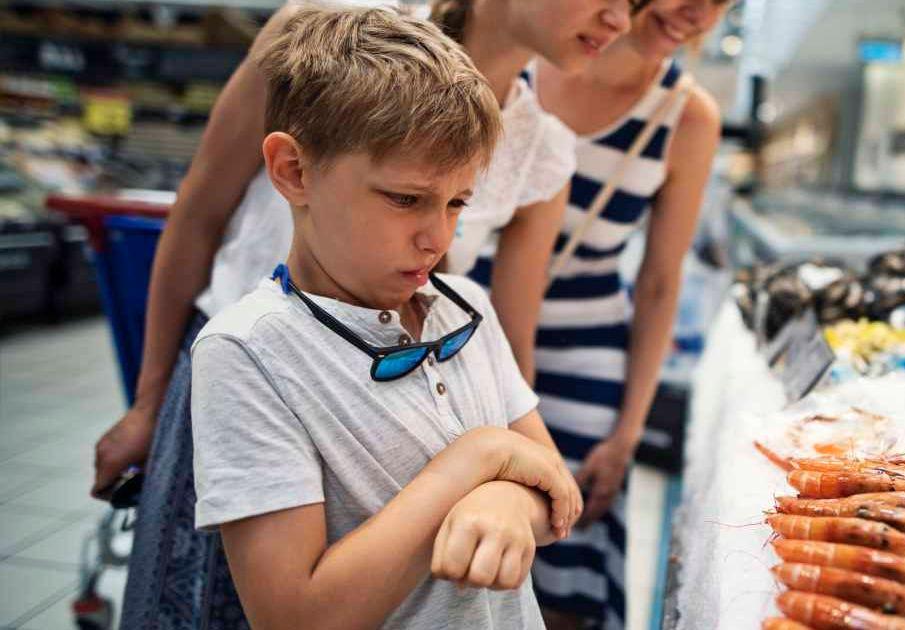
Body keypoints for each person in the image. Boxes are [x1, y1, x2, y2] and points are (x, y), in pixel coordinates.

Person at [91, 1, 632, 627]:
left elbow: (545, 478)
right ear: (293, 170)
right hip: (285, 379)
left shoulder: (467, 310)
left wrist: (510, 493)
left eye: (460, 204)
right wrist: (481, 460)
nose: (439, 239)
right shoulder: (334, 41)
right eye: (406, 199)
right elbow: (296, 613)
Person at [470, 0, 727, 626]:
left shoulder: (686, 114)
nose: (699, 13)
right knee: (464, 529)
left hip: (588, 344)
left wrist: (629, 431)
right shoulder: (527, 55)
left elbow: (662, 282)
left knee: (564, 538)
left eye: (725, 3)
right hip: (473, 323)